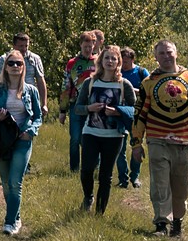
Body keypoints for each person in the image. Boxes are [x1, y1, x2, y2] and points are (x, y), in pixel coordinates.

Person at [129, 40, 188, 237]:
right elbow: (139, 114)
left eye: (169, 52)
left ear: (176, 54)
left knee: (182, 185)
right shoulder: (148, 82)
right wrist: (136, 143)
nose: (166, 56)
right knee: (160, 183)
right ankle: (162, 223)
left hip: (184, 142)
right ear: (156, 57)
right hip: (158, 139)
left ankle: (177, 223)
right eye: (161, 53)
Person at [0, 49, 43, 235]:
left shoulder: (31, 90)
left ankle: (9, 223)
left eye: (19, 63)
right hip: (2, 140)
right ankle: (16, 217)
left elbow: (38, 117)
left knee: (16, 182)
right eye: (11, 63)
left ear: (24, 67)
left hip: (22, 139)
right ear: (5, 67)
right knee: (6, 183)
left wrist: (30, 132)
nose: (15, 66)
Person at [75, 45, 137, 215]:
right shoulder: (90, 82)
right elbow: (78, 108)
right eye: (107, 58)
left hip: (114, 135)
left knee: (106, 175)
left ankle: (99, 213)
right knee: (87, 170)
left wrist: (117, 111)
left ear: (119, 62)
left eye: (113, 58)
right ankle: (88, 197)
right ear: (100, 61)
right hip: (91, 133)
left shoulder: (124, 84)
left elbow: (135, 110)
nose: (110, 61)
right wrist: (89, 108)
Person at [58, 31, 98, 172]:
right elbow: (66, 86)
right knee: (75, 138)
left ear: (94, 45)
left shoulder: (98, 62)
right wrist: (62, 110)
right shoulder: (72, 63)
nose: (87, 49)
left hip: (94, 105)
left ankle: (94, 168)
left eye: (90, 46)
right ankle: (74, 169)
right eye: (85, 46)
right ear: (80, 45)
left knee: (93, 138)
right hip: (76, 104)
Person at [116, 47, 151, 188]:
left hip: (137, 114)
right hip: (119, 113)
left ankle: (135, 176)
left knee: (136, 143)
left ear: (132, 59)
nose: (123, 65)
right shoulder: (116, 73)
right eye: (121, 61)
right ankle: (122, 178)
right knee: (120, 147)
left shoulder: (141, 72)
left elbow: (149, 90)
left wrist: (131, 90)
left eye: (126, 62)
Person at [0, 32, 47, 109]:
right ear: (14, 46)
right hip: (8, 98)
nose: (24, 49)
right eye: (21, 46)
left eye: (26, 46)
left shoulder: (35, 59)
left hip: (29, 98)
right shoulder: (5, 59)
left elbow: (40, 81)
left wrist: (44, 104)